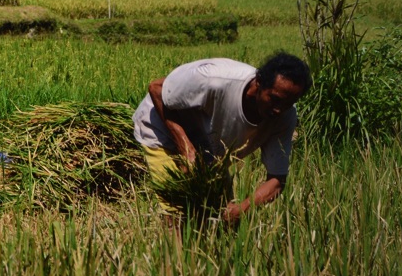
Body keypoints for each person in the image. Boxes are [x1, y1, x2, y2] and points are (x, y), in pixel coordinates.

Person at [133, 52, 311, 226]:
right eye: (274, 99)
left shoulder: (285, 117)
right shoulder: (215, 81)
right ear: (259, 83)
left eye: (288, 104)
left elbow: (277, 180)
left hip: (207, 144)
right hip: (162, 128)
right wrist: (184, 145)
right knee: (177, 214)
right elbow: (157, 88)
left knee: (220, 218)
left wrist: (243, 208)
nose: (279, 109)